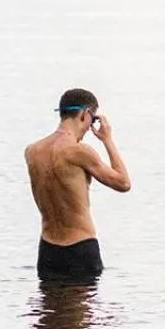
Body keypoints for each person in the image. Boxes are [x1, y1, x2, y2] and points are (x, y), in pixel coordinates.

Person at [24, 88, 131, 283]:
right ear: (85, 114)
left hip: (48, 251)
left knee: (50, 313)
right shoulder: (79, 152)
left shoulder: (32, 151)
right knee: (84, 312)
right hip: (80, 249)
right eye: (93, 120)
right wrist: (107, 139)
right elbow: (123, 183)